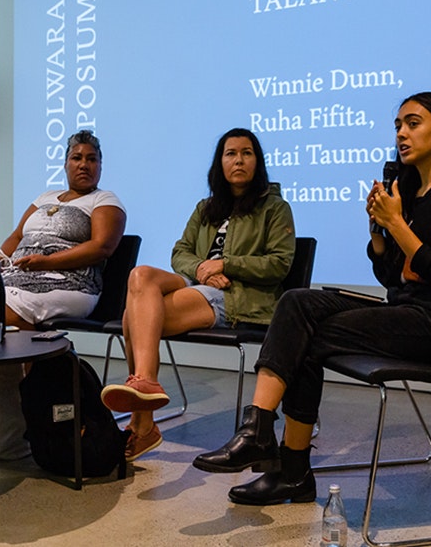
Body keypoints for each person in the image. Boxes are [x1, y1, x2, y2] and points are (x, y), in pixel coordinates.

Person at [192, 92, 431, 506]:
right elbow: (392, 276)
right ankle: (260, 434)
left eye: (413, 123)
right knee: (297, 303)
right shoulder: (412, 191)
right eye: (397, 125)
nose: (401, 133)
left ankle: (285, 466)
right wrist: (379, 234)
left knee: (307, 338)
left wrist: (397, 224)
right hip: (410, 311)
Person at [100, 128, 296, 461]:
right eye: (230, 153)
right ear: (220, 162)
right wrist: (204, 267)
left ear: (257, 162)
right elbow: (180, 253)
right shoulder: (206, 208)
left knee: (133, 316)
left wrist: (227, 265)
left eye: (246, 153)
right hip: (202, 286)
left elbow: (279, 264)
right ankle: (145, 386)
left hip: (240, 298)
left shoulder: (274, 208)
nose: (238, 160)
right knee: (140, 276)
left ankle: (142, 422)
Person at [0, 129, 126, 328]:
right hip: (17, 274)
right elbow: (18, 235)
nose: (83, 165)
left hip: (72, 281)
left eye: (91, 159)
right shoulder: (45, 197)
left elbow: (101, 247)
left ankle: (36, 359)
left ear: (100, 166)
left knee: (2, 307)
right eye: (76, 158)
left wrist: (46, 262)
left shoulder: (104, 199)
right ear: (65, 164)